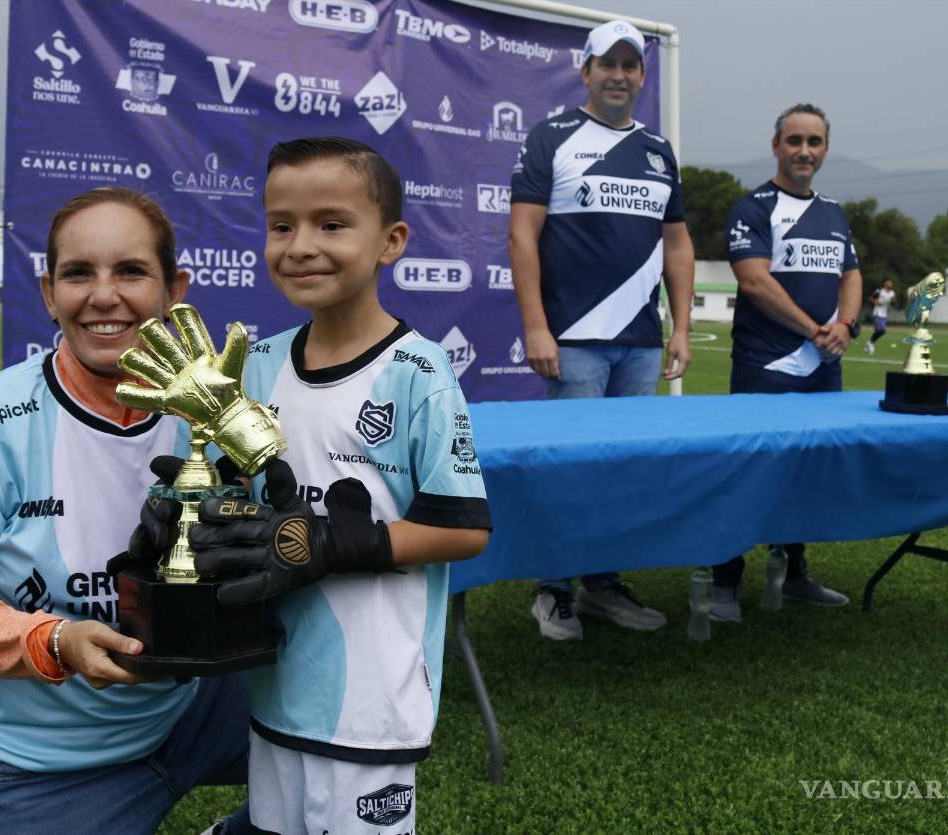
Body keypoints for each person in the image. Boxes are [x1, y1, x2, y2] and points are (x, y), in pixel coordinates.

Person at [0, 187, 254, 834]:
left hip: (194, 705)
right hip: (45, 763)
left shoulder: (209, 404)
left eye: (132, 271)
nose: (104, 295)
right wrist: (52, 639)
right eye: (79, 273)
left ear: (176, 288)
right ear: (47, 293)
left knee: (344, 774)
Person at [170, 137, 492, 834]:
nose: (301, 245)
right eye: (281, 224)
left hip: (371, 699)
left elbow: (464, 527)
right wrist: (193, 505)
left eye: (332, 224)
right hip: (277, 684)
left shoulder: (418, 373)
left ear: (391, 241)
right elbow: (241, 501)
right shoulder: (255, 364)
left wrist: (337, 542)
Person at [508, 19, 695, 641]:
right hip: (574, 342)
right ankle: (553, 590)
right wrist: (536, 327)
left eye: (631, 65)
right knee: (571, 468)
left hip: (642, 342)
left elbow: (677, 245)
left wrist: (682, 329)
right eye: (607, 64)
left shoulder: (658, 149)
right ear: (584, 71)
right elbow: (522, 234)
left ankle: (601, 586)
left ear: (643, 75)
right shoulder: (553, 137)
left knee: (621, 472)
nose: (619, 75)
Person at [712, 103, 863, 622]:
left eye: (814, 142)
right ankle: (725, 583)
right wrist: (814, 329)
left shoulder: (835, 211)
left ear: (825, 149)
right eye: (794, 140)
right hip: (766, 367)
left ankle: (794, 574)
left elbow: (851, 274)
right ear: (776, 146)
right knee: (747, 471)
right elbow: (754, 280)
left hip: (824, 367)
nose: (804, 151)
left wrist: (844, 325)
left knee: (807, 474)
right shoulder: (752, 208)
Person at [866, 278, 896, 354]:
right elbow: (870, 298)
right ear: (885, 283)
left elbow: (893, 302)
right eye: (889, 282)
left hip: (884, 314)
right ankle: (870, 343)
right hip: (877, 313)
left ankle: (869, 345)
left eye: (891, 283)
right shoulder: (879, 291)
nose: (891, 284)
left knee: (877, 331)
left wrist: (893, 301)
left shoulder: (892, 293)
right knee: (882, 330)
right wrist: (876, 302)